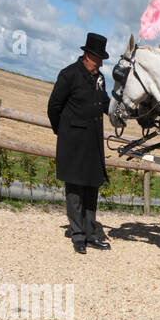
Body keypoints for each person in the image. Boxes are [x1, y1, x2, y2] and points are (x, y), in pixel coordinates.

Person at [47, 33, 112, 254]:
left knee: (91, 188)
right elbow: (54, 107)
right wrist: (63, 133)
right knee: (74, 190)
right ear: (87, 55)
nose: (101, 63)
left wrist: (119, 112)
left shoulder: (99, 78)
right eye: (98, 59)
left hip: (93, 143)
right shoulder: (68, 75)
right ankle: (78, 236)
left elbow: (105, 104)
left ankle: (91, 233)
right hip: (73, 142)